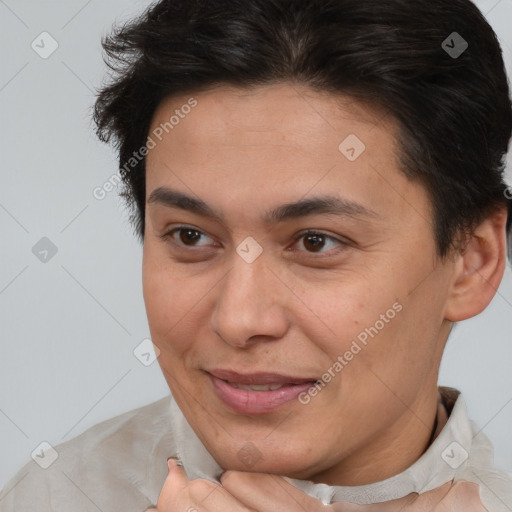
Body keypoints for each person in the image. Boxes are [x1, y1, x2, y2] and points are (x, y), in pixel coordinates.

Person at [1, 0, 512, 510]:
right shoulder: (51, 496)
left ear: (473, 262)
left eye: (316, 242)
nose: (238, 320)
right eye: (190, 237)